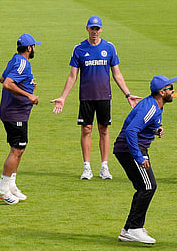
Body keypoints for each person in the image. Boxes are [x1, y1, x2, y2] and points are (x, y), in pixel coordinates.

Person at [51, 16, 140, 180]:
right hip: (86, 97)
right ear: (87, 29)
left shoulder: (109, 48)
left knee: (104, 130)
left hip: (104, 96)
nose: (94, 31)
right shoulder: (79, 49)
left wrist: (128, 94)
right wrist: (63, 97)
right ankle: (87, 167)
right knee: (86, 129)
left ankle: (104, 166)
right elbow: (72, 76)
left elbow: (117, 74)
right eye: (92, 28)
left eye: (97, 28)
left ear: (101, 29)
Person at [113, 74, 176, 244]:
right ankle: (134, 228)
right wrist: (139, 157)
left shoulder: (154, 106)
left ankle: (129, 229)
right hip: (129, 149)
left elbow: (140, 125)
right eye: (170, 88)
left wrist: (155, 130)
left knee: (144, 187)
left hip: (131, 148)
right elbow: (131, 131)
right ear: (162, 93)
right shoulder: (151, 107)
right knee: (148, 187)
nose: (173, 91)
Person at [0, 34, 41, 205]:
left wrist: (27, 83)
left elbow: (2, 78)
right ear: (29, 48)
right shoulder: (22, 63)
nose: (35, 49)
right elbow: (7, 83)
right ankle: (2, 188)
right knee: (16, 150)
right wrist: (29, 94)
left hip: (16, 112)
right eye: (34, 46)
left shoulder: (15, 60)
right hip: (15, 113)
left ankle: (11, 185)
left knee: (20, 149)